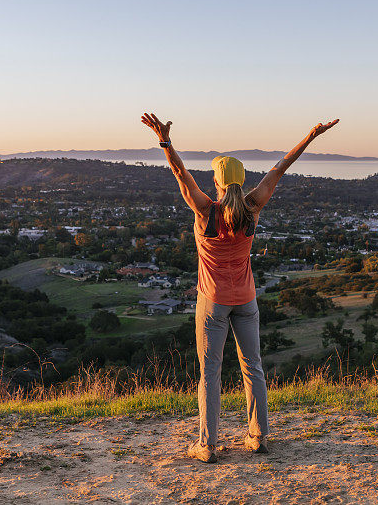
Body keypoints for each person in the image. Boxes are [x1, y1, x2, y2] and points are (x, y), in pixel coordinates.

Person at [141, 112, 339, 463]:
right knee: (254, 367)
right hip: (246, 300)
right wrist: (311, 136)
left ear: (217, 182)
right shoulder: (253, 208)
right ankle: (258, 437)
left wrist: (165, 141)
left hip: (213, 303)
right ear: (242, 182)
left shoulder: (205, 212)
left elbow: (180, 174)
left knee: (210, 374)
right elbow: (279, 169)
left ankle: (207, 445)